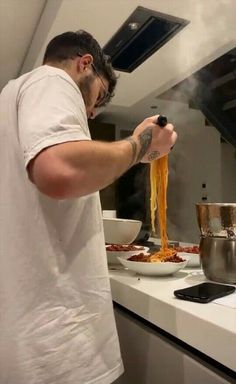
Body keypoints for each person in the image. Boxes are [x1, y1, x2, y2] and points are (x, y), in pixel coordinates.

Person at [0, 30, 177, 384]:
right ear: (84, 64)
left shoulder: (9, 95)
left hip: (27, 338)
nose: (93, 111)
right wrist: (141, 144)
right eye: (99, 96)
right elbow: (60, 170)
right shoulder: (52, 80)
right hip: (58, 347)